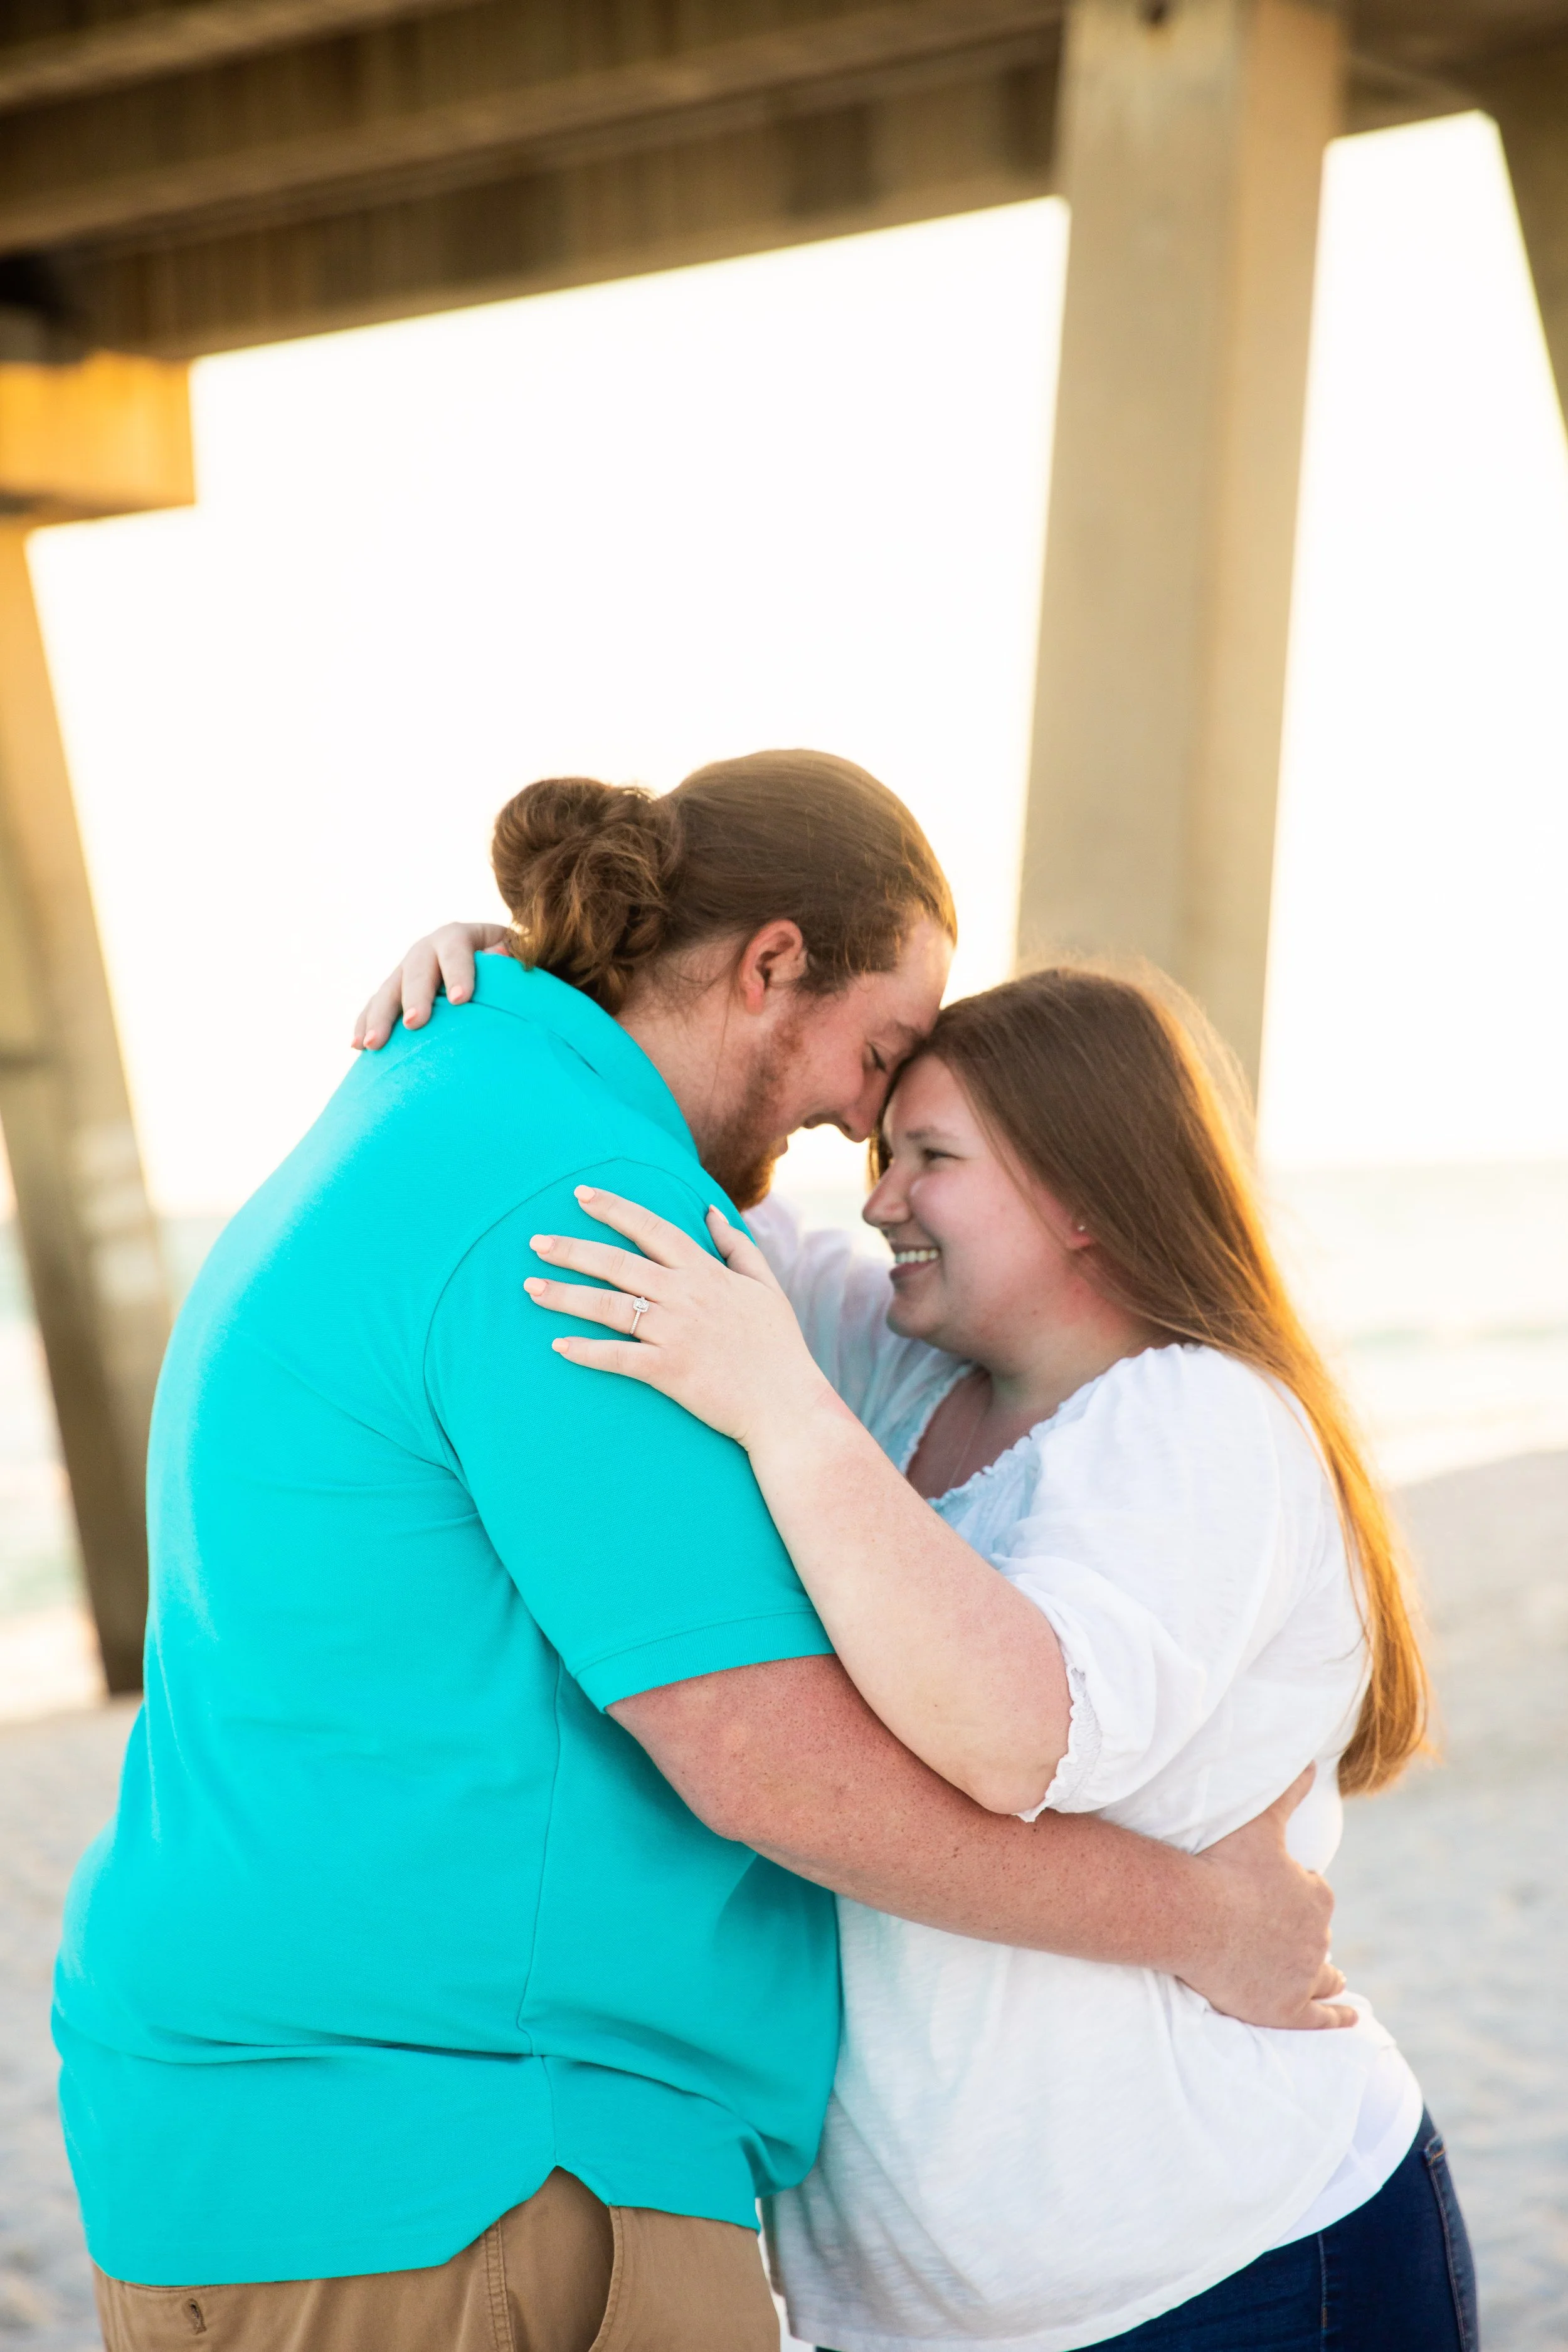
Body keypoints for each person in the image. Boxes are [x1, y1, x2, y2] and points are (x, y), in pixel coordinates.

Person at [57, 757, 1342, 2352]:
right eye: (878, 1056)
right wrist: (1206, 1921)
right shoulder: (580, 1206)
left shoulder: (454, 1100)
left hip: (269, 2142)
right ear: (770, 965)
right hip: (471, 2170)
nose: (861, 1127)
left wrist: (516, 978)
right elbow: (762, 1761)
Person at [381, 935, 1476, 2349]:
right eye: (882, 1154)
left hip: (1231, 2259)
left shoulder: (1204, 1419)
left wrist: (781, 1407)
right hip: (932, 2307)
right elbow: (664, 1178)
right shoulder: (900, 1370)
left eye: (931, 1160)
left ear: (1085, 1195)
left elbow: (1015, 1738)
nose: (878, 1196)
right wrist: (526, 972)